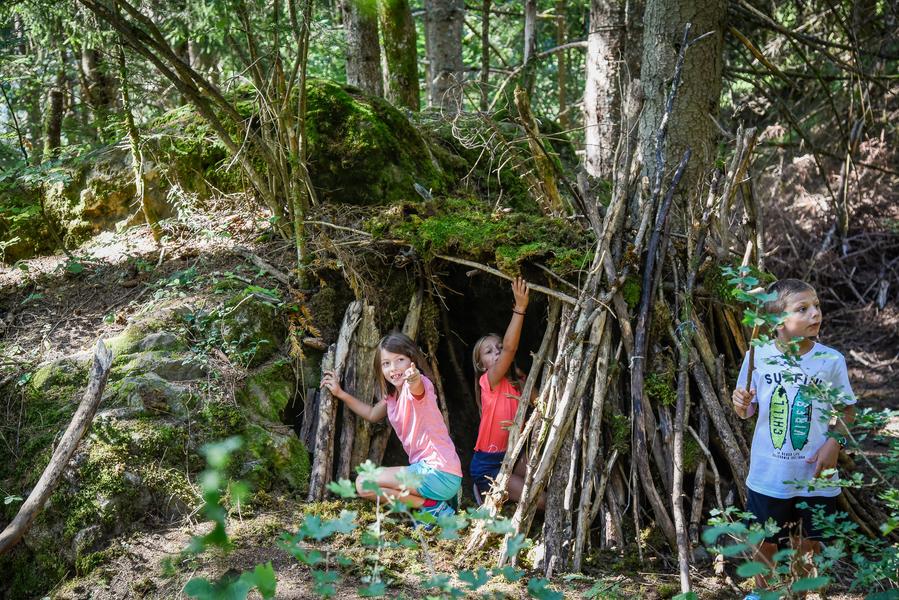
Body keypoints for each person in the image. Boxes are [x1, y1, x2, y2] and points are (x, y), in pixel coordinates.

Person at [731, 278, 856, 598]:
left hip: (814, 474)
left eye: (817, 306)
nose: (816, 314)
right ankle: (764, 592)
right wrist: (740, 404)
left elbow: (847, 411)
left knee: (807, 540)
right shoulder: (758, 355)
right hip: (769, 473)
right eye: (803, 309)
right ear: (776, 320)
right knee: (764, 538)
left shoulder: (831, 360)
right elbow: (747, 411)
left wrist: (834, 443)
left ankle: (799, 592)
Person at [320, 332, 462, 520]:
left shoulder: (421, 386)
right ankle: (435, 505)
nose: (393, 368)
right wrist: (340, 393)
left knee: (364, 482)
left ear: (412, 360)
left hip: (438, 471)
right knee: (365, 484)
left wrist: (414, 379)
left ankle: (434, 507)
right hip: (431, 474)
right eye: (386, 363)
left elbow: (416, 388)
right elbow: (371, 414)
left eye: (400, 360)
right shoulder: (392, 397)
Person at [470, 277, 543, 508]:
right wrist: (520, 308)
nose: (498, 352)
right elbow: (511, 349)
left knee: (545, 478)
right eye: (489, 352)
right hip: (488, 465)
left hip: (512, 455)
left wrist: (521, 379)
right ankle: (485, 488)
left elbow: (540, 404)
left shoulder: (516, 380)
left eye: (499, 347)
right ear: (482, 365)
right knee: (541, 500)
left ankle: (505, 492)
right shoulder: (488, 381)